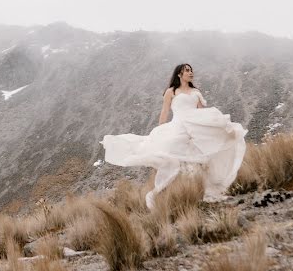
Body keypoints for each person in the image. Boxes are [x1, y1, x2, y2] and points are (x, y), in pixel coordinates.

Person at [100, 63, 247, 209]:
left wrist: (216, 124)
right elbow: (164, 112)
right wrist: (159, 131)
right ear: (179, 74)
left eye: (191, 70)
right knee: (174, 159)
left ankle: (196, 193)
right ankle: (167, 196)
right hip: (177, 128)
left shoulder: (196, 92)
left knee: (198, 161)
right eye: (187, 70)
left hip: (193, 128)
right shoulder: (171, 91)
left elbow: (202, 113)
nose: (191, 73)